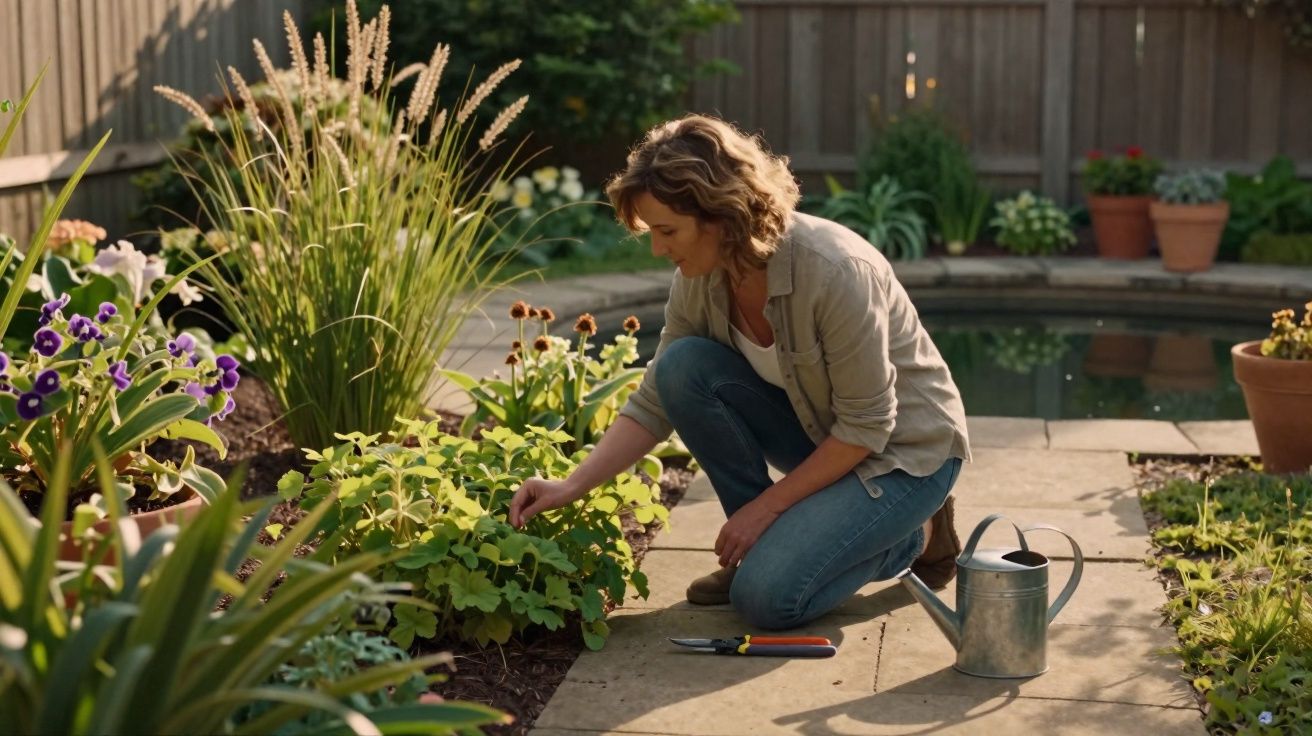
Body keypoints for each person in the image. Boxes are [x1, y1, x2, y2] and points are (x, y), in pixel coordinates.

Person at [509, 114, 971, 630]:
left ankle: (918, 536)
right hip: (826, 436)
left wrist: (766, 508)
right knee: (682, 367)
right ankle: (763, 552)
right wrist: (570, 485)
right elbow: (657, 398)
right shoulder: (702, 275)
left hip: (905, 456)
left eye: (667, 231)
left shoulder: (836, 271)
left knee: (766, 601)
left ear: (721, 215)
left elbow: (867, 426)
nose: (658, 249)